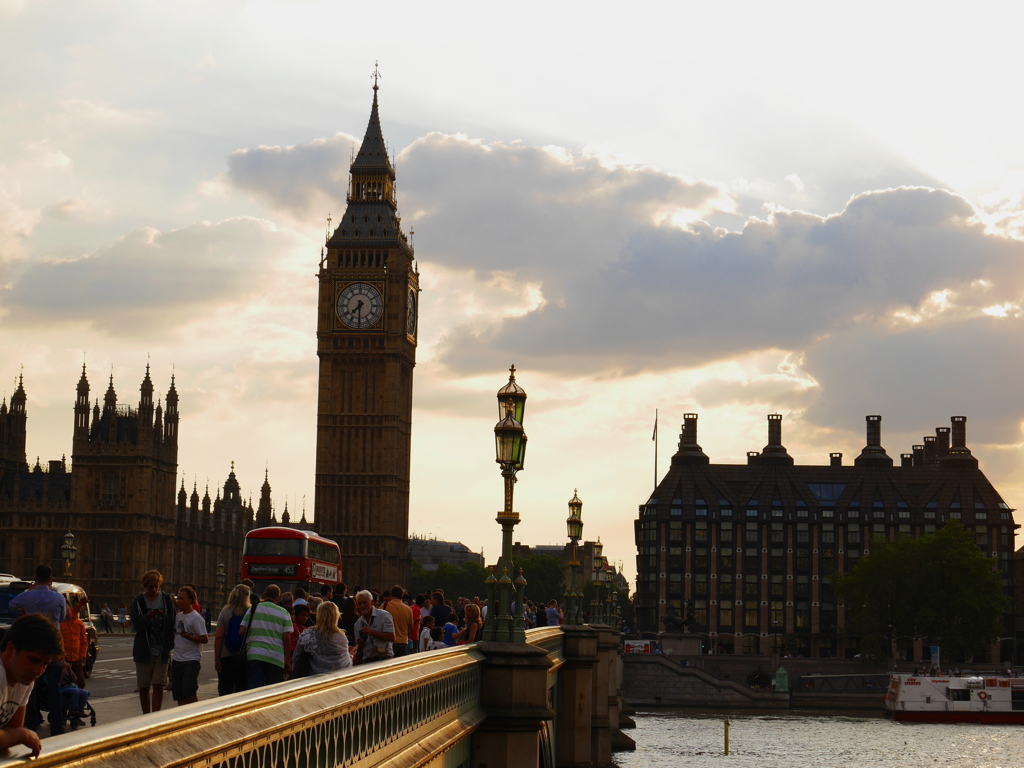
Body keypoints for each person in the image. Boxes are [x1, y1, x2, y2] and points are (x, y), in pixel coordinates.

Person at [9, 564, 67, 736]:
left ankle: (31, 722)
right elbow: (62, 618)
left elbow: (12, 605)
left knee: (30, 687)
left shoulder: (27, 596)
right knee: (55, 688)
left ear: (34, 578)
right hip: (53, 647)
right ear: (51, 579)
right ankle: (57, 725)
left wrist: (29, 592)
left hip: (32, 644)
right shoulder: (59, 599)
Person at [0, 614, 63, 757]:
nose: (38, 671)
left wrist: (16, 733)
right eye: (33, 660)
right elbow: (16, 732)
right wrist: (22, 735)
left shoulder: (24, 679)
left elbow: (13, 728)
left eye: (45, 664)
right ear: (10, 649)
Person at [130, 569, 176, 714]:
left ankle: (155, 717)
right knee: (144, 686)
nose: (154, 589)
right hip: (144, 650)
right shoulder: (138, 601)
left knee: (158, 685)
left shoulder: (166, 600)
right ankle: (146, 717)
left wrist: (169, 646)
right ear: (145, 586)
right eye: (151, 587)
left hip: (161, 650)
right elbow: (136, 625)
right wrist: (148, 616)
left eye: (156, 586)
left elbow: (172, 624)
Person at [240, 585, 292, 687]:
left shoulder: (253, 609)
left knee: (254, 691)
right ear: (278, 598)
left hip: (255, 655)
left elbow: (242, 631)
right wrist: (287, 660)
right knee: (271, 692)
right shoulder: (284, 613)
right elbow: (287, 637)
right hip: (276, 658)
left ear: (264, 595)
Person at [292, 601, 352, 676]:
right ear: (336, 616)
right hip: (334, 679)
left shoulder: (309, 634)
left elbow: (297, 656)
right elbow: (345, 663)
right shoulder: (341, 637)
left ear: (319, 616)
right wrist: (351, 655)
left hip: (312, 678)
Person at [171, 586, 207, 706]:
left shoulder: (196, 618)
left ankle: (196, 716)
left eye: (182, 598)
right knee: (179, 694)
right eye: (178, 598)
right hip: (177, 660)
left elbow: (204, 638)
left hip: (191, 660)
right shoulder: (178, 616)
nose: (179, 601)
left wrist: (189, 637)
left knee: (189, 692)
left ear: (191, 600)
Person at [214, 585, 252, 696]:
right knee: (242, 689)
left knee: (225, 689)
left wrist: (217, 659)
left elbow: (219, 637)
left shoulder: (225, 611)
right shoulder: (250, 612)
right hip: (245, 656)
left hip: (226, 655)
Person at [353, 589, 395, 663]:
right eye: (359, 604)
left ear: (372, 602)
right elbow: (359, 648)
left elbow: (392, 637)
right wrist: (361, 644)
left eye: (365, 602)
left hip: (384, 659)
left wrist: (372, 632)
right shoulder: (358, 624)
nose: (362, 605)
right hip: (367, 660)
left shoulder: (384, 615)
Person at [59, 601, 88, 690]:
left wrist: (82, 655)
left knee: (80, 683)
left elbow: (83, 641)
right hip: (64, 659)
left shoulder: (79, 624)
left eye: (67, 608)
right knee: (62, 683)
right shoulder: (60, 624)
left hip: (76, 659)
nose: (66, 610)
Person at [384, 586, 414, 658]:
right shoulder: (408, 610)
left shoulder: (385, 606)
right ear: (402, 595)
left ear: (391, 595)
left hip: (389, 642)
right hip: (403, 642)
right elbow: (411, 627)